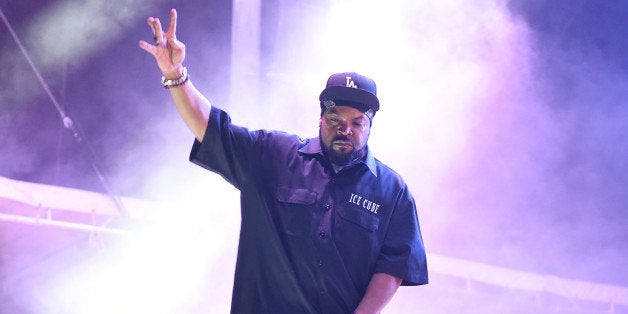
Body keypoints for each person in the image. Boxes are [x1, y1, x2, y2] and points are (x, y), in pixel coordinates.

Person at [139, 9, 428, 314]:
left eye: (357, 122)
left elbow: (394, 264)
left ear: (370, 127)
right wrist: (175, 75)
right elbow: (211, 129)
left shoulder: (392, 190)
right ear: (320, 119)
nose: (346, 129)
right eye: (335, 118)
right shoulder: (274, 154)